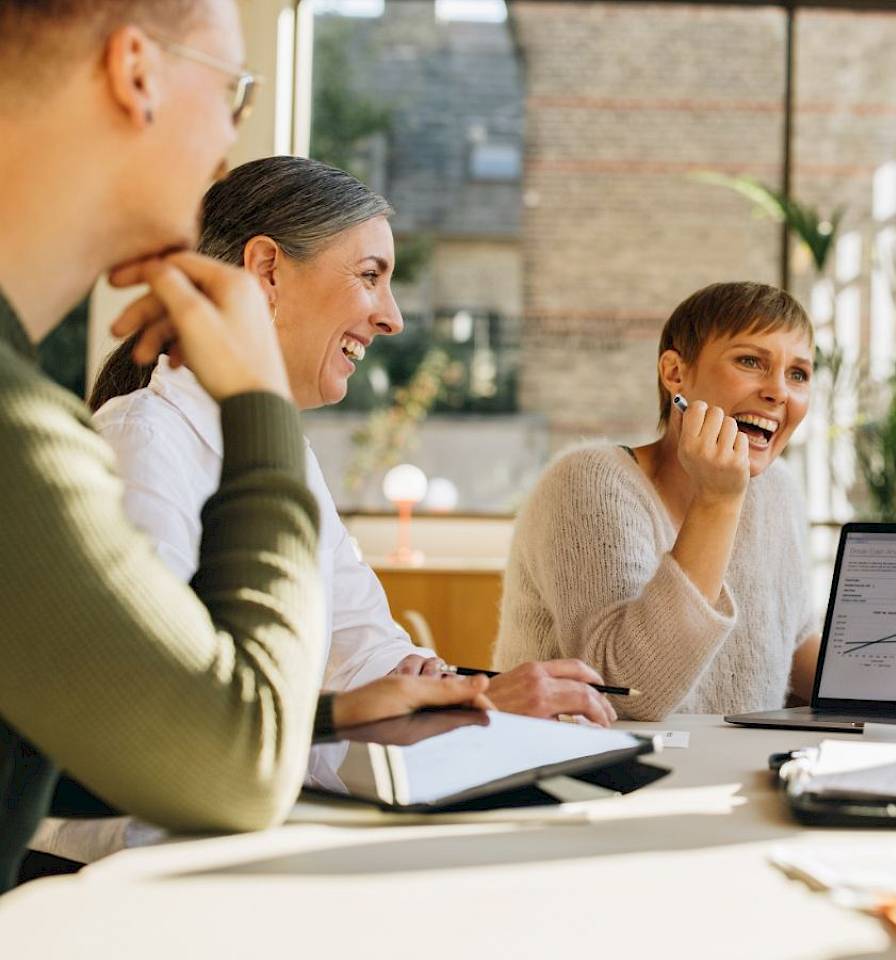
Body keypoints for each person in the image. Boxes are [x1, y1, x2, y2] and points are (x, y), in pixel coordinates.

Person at [0, 0, 487, 892]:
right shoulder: (44, 436)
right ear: (136, 72)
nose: (226, 152)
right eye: (236, 92)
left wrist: (339, 713)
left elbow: (70, 745)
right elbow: (227, 769)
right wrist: (256, 401)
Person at [86, 155, 616, 727]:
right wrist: (464, 707)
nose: (392, 319)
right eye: (369, 276)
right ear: (267, 269)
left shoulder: (286, 457)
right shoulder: (140, 443)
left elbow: (365, 650)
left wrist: (438, 687)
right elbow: (171, 707)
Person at [496, 282, 819, 721]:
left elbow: (794, 643)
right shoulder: (588, 481)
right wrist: (719, 501)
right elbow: (628, 691)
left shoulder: (778, 491)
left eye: (798, 374)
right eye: (750, 361)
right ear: (675, 374)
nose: (779, 392)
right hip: (592, 778)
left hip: (731, 778)